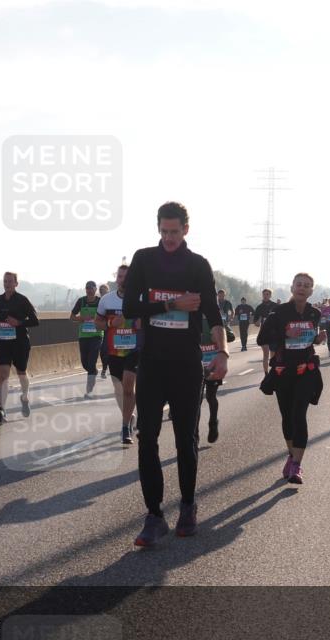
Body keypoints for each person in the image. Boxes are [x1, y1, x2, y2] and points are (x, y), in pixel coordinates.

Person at [123, 201, 226, 546]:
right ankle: (154, 515)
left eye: (174, 231)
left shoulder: (198, 265)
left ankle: (187, 505)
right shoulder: (144, 259)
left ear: (185, 229)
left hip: (185, 364)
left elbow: (213, 314)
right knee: (147, 437)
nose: (168, 237)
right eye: (163, 231)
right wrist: (172, 305)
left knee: (186, 439)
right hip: (151, 363)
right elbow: (129, 308)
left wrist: (223, 352)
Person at [259, 273, 325, 485]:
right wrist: (281, 336)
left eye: (307, 286)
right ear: (292, 287)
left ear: (311, 291)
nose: (302, 288)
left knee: (299, 414)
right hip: (283, 372)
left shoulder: (315, 313)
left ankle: (296, 465)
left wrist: (317, 338)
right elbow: (262, 338)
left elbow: (311, 338)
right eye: (299, 284)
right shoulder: (278, 312)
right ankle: (291, 455)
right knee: (287, 417)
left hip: (306, 370)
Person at [96, 265, 141, 445]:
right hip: (113, 351)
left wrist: (138, 322)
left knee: (129, 387)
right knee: (119, 389)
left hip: (134, 350)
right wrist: (109, 323)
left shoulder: (140, 298)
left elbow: (148, 320)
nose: (123, 280)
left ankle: (125, 428)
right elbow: (97, 322)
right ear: (117, 279)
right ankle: (129, 417)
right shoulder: (107, 300)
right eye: (120, 277)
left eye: (127, 276)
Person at [0, 272, 40, 423]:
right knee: (3, 375)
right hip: (4, 343)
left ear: (16, 283)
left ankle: (24, 397)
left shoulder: (22, 300)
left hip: (20, 343)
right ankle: (2, 409)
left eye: (10, 281)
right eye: (5, 281)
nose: (7, 284)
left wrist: (18, 323)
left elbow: (35, 320)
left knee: (21, 373)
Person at [199, 316, 235, 444]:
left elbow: (231, 336)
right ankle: (194, 435)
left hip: (213, 364)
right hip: (196, 364)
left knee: (210, 396)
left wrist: (219, 340)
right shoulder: (190, 315)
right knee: (195, 401)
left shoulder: (216, 318)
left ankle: (213, 423)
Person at [70, 281, 103, 397]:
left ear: (95, 289)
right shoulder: (81, 301)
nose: (89, 290)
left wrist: (97, 319)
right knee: (85, 363)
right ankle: (93, 371)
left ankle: (89, 390)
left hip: (96, 336)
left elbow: (106, 316)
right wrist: (82, 318)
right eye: (87, 288)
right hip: (83, 336)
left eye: (91, 288)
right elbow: (72, 317)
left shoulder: (100, 302)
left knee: (91, 361)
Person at [253, 289, 279, 375]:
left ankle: (273, 372)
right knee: (266, 354)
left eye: (267, 294)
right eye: (264, 294)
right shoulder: (259, 307)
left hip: (274, 334)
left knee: (273, 354)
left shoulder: (275, 306)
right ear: (262, 295)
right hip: (264, 334)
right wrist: (260, 319)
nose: (265, 296)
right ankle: (266, 373)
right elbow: (256, 324)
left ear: (270, 295)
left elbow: (280, 320)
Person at [98, 283, 111, 379]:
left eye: (104, 291)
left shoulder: (111, 300)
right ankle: (104, 369)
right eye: (101, 291)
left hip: (115, 328)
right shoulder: (99, 301)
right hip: (105, 329)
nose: (103, 292)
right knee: (103, 351)